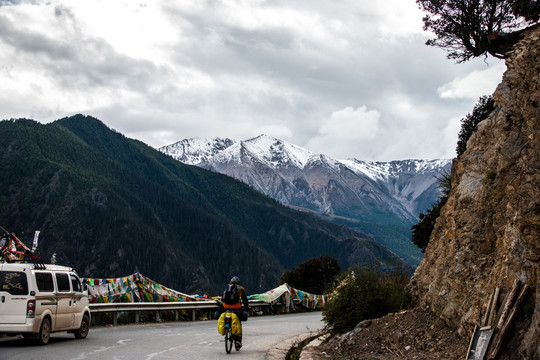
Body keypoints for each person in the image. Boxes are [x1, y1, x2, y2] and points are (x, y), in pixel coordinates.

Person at [222, 276, 249, 348]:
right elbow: (245, 300)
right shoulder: (241, 289)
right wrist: (246, 308)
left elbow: (223, 298)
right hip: (236, 309)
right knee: (238, 323)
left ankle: (227, 330)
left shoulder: (227, 287)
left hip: (226, 307)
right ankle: (238, 341)